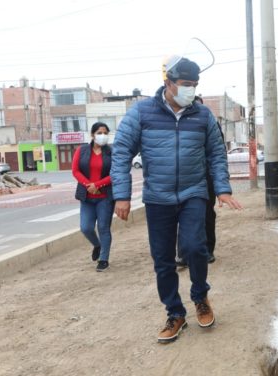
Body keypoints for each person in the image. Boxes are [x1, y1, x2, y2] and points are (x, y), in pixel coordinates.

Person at [111, 57, 242, 344]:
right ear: (168, 83)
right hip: (158, 198)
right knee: (163, 260)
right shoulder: (142, 113)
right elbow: (121, 153)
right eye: (185, 85)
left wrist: (222, 188)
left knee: (196, 247)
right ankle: (175, 313)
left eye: (194, 85)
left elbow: (216, 154)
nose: (190, 91)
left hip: (194, 192)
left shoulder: (203, 116)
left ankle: (200, 297)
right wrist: (120, 195)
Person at [176, 95, 222, 267]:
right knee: (182, 214)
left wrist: (220, 184)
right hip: (184, 177)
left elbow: (217, 152)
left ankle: (208, 250)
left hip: (206, 176)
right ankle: (183, 254)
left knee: (207, 214)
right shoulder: (178, 124)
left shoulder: (210, 123)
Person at [72, 122, 114, 272]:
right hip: (87, 197)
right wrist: (89, 185)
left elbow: (115, 173)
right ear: (92, 134)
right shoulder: (82, 150)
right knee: (86, 228)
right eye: (99, 132)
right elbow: (75, 171)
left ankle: (104, 259)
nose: (102, 135)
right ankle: (97, 245)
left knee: (103, 227)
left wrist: (98, 185)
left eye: (105, 133)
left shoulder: (112, 152)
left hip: (105, 197)